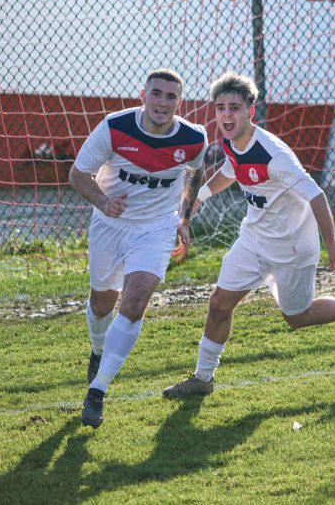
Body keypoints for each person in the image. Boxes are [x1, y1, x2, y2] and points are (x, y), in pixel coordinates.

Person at [161, 71, 335, 399]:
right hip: (254, 239)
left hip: (292, 247)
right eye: (221, 108)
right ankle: (203, 378)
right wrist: (199, 196)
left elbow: (316, 195)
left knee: (296, 317)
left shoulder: (274, 155)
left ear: (250, 111)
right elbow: (230, 171)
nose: (226, 115)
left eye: (234, 108)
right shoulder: (231, 141)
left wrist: (330, 242)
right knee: (219, 304)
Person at [69, 68, 208, 428]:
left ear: (179, 102)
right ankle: (98, 350)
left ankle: (97, 391)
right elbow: (78, 174)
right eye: (156, 94)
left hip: (156, 228)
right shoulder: (114, 127)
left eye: (171, 96)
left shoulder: (194, 138)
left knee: (134, 302)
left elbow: (195, 172)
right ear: (143, 95)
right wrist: (104, 202)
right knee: (102, 302)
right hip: (110, 225)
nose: (163, 102)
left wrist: (184, 218)